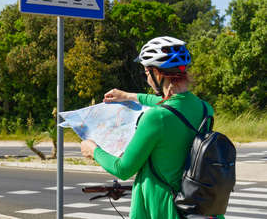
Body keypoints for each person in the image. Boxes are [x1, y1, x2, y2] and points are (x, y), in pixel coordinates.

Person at [80, 36, 224, 219]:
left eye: (146, 73)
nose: (146, 78)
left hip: (165, 209)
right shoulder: (205, 109)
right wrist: (128, 96)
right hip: (199, 206)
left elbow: (123, 169)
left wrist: (93, 150)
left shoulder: (156, 118)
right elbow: (171, 104)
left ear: (157, 73)